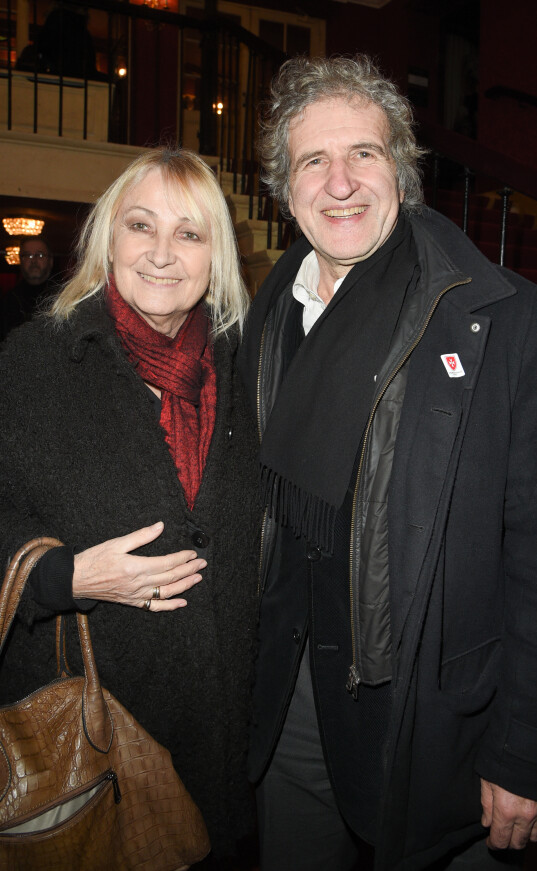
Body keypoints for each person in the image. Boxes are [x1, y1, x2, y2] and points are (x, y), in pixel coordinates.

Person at [237, 55, 537, 871]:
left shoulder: (504, 321)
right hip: (290, 712)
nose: (341, 181)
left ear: (403, 173)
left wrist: (531, 748)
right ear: (285, 189)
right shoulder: (260, 320)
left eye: (365, 153)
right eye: (313, 160)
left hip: (436, 720)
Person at [0, 147, 260, 867]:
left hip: (219, 736)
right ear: (108, 239)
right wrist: (66, 578)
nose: (163, 253)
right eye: (141, 226)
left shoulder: (251, 370)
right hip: (88, 746)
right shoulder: (35, 361)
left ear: (218, 254)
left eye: (190, 232)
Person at [0, 236, 54, 341]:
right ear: (20, 261)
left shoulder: (63, 299)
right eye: (28, 255)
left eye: (40, 255)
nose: (34, 261)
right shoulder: (7, 302)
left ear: (50, 261)